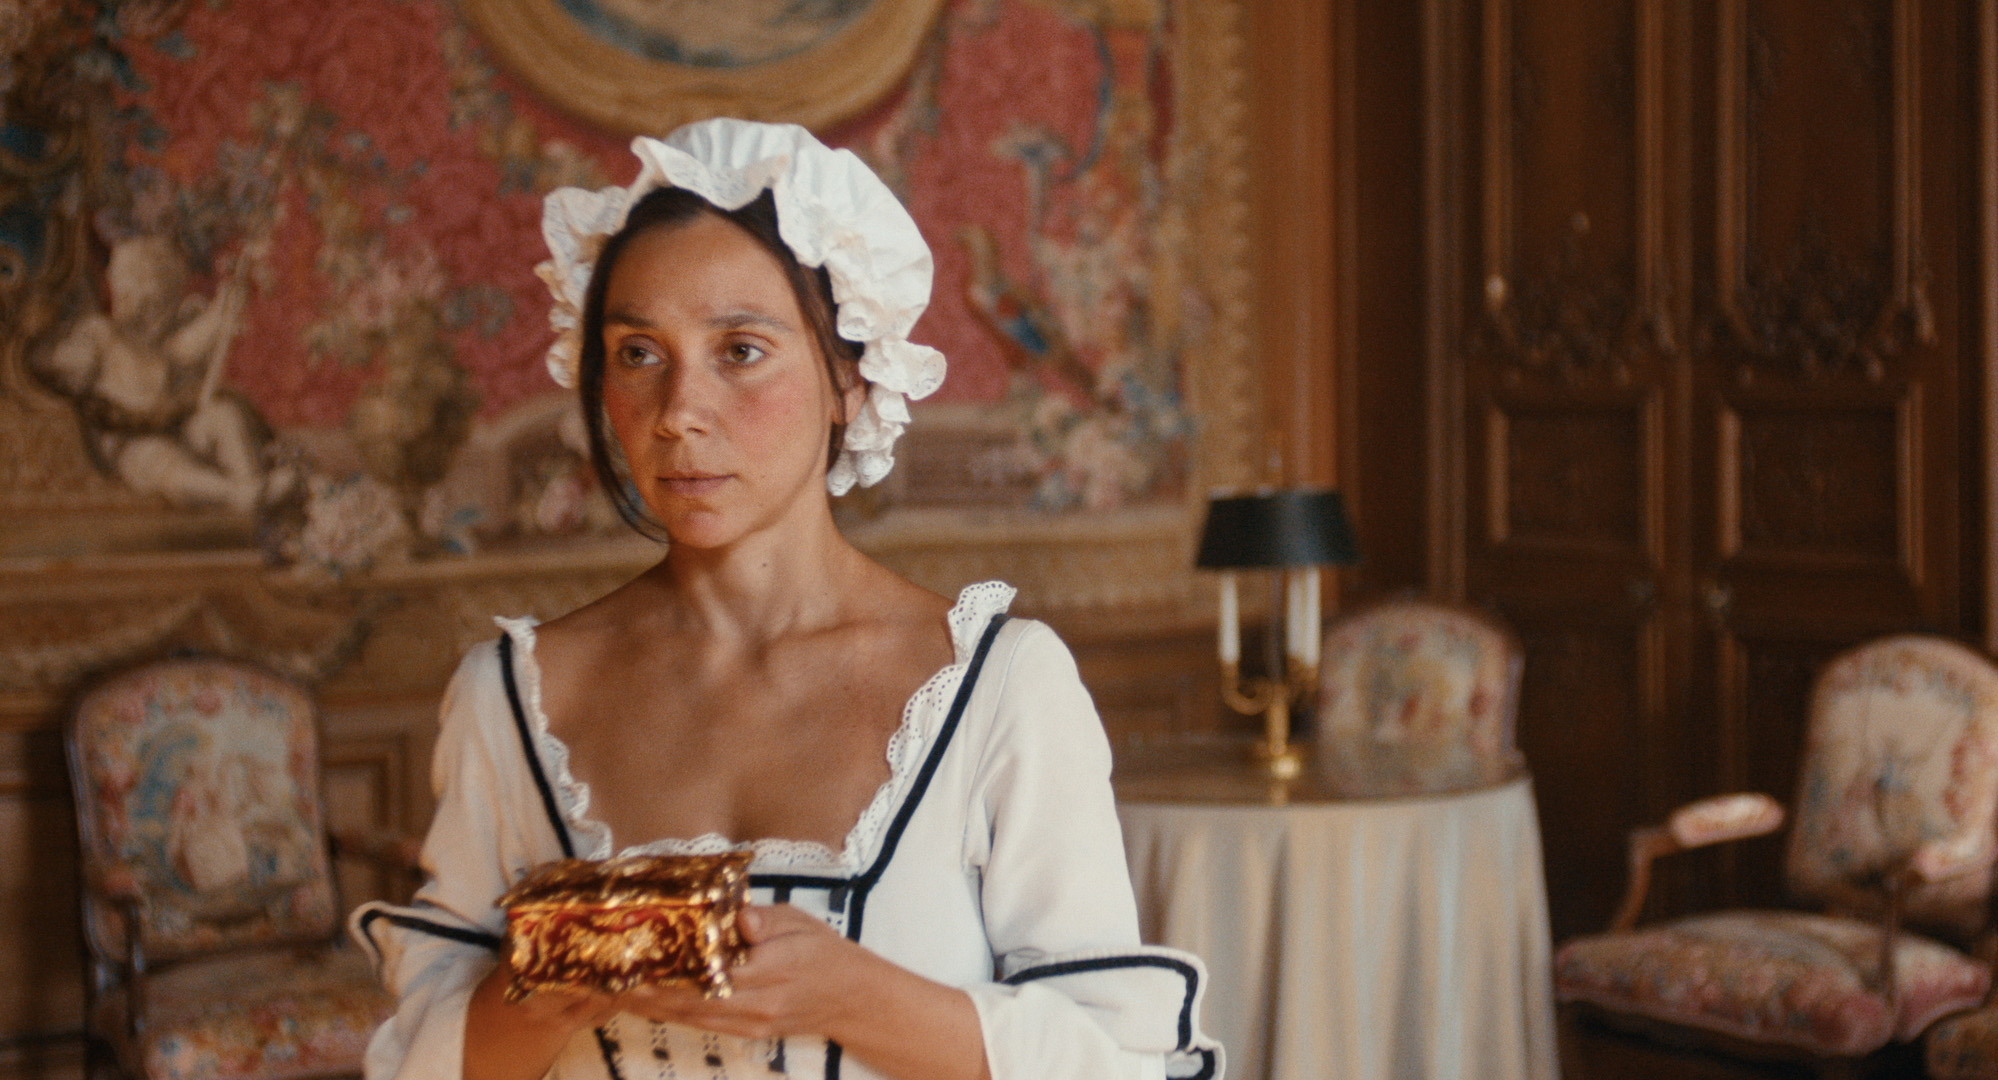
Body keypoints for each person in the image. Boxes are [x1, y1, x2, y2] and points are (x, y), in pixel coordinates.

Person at [350, 119, 1221, 1080]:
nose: (679, 411)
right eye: (638, 352)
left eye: (740, 350)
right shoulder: (509, 698)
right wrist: (548, 986)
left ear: (850, 377)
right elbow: (420, 1062)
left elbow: (1116, 1062)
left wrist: (851, 995)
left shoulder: (999, 687)